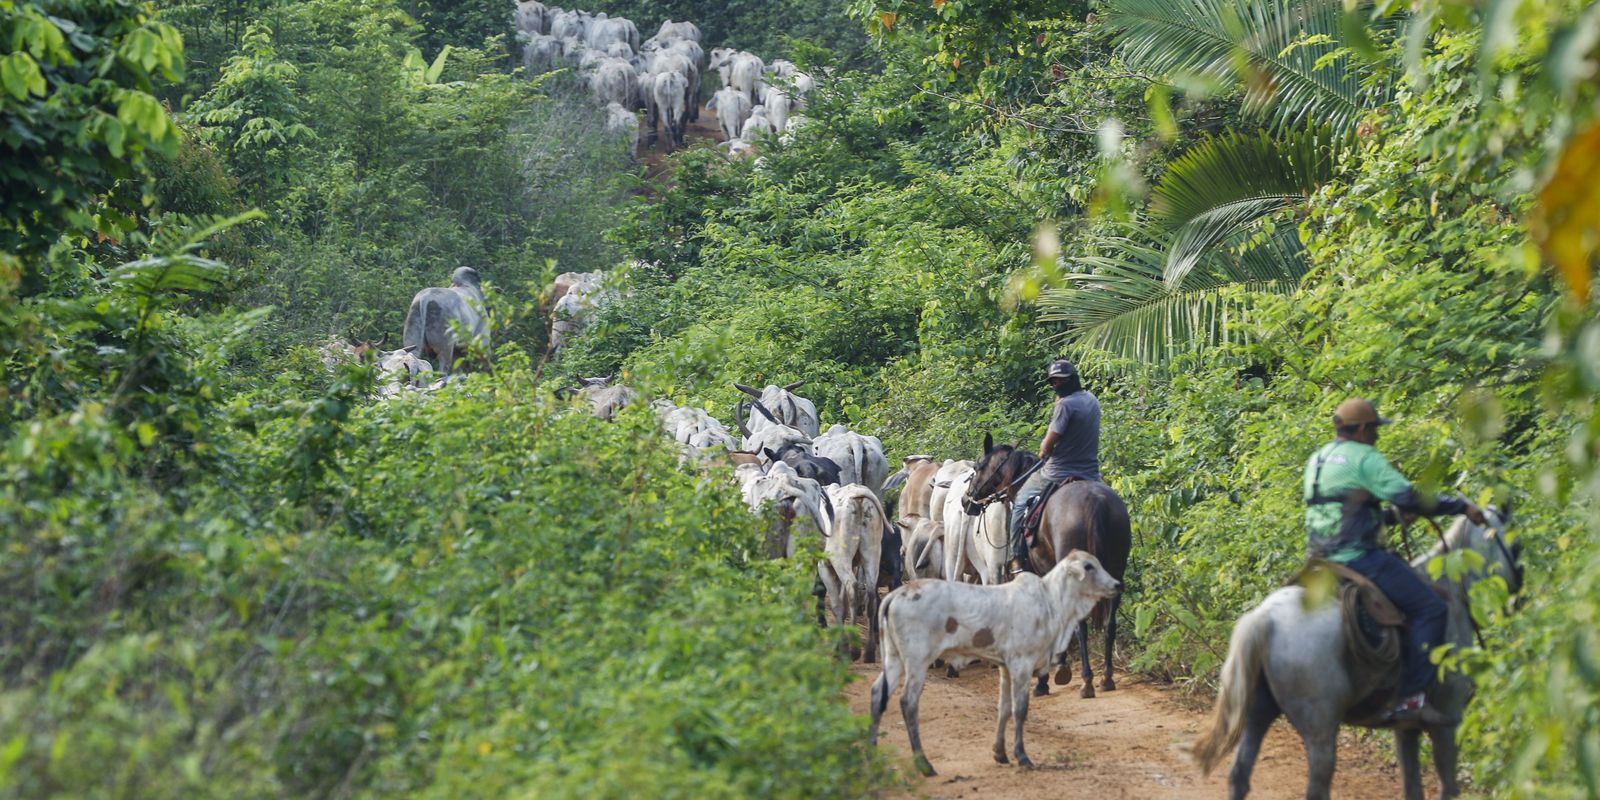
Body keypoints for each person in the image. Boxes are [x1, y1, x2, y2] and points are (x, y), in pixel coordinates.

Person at [1304, 398, 1486, 725]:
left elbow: (1337, 512)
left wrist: (1389, 518)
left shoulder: (1318, 458)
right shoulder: (1364, 457)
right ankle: (1411, 699)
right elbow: (1410, 497)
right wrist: (1459, 507)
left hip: (1318, 560)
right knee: (1431, 607)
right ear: (1360, 429)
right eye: (1373, 429)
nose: (1376, 436)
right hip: (1358, 557)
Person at [1009, 358, 1102, 573]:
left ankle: (1017, 559)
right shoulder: (1091, 399)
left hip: (1058, 472)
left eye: (1059, 382)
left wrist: (1043, 450)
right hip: (1091, 473)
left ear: (1070, 381)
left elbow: (1046, 446)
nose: (1056, 386)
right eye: (1053, 382)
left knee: (1020, 503)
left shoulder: (1065, 405)